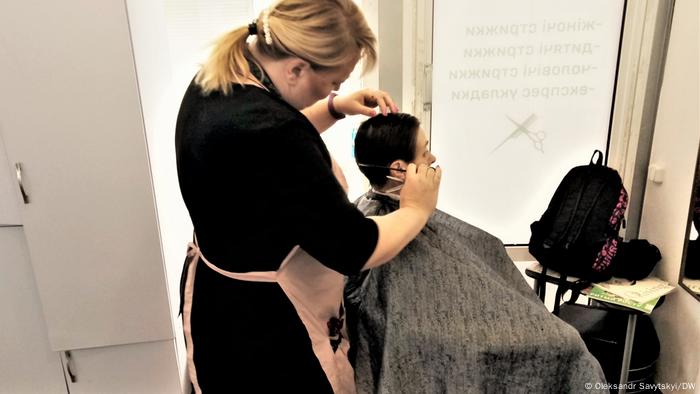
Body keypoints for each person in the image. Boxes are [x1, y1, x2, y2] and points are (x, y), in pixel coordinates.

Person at [174, 1, 441, 393]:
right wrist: (417, 209)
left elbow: (261, 164)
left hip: (223, 300)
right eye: (333, 83)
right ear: (297, 68)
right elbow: (354, 247)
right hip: (265, 329)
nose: (335, 90)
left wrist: (333, 108)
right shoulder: (271, 132)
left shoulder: (217, 79)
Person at [346, 113, 608, 393]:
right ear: (400, 170)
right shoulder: (371, 228)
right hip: (434, 338)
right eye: (424, 152)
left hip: (457, 323)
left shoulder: (371, 217)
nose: (433, 158)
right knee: (567, 345)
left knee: (564, 339)